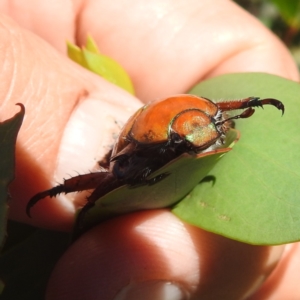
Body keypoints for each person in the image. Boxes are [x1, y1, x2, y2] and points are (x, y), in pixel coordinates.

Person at [1, 1, 299, 299]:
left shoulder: (203, 109)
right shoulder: (151, 134)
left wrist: (247, 103)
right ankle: (58, 191)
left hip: (179, 121)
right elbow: (126, 162)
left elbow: (212, 108)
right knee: (118, 176)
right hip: (136, 151)